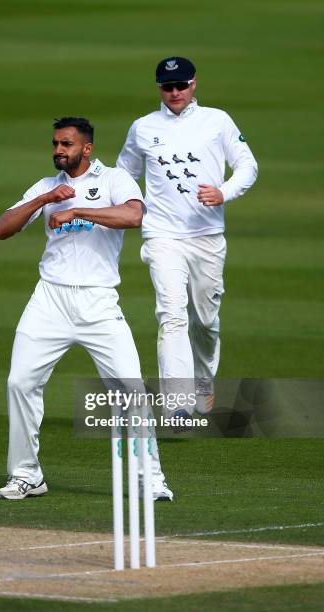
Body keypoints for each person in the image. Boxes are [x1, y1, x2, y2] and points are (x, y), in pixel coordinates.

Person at [0, 117, 172, 500]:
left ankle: (149, 478)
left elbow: (134, 216)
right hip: (49, 300)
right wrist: (43, 201)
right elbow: (2, 228)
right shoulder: (45, 186)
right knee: (20, 382)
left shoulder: (114, 180)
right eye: (56, 144)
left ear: (86, 149)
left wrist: (78, 212)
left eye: (67, 145)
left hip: (98, 301)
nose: (59, 150)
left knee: (129, 388)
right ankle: (27, 475)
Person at [117, 57, 258, 414]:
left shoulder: (217, 120)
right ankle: (177, 402)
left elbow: (248, 165)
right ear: (159, 88)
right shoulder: (143, 127)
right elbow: (124, 176)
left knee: (205, 321)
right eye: (167, 87)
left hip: (207, 236)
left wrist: (223, 193)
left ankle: (204, 383)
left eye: (181, 85)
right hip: (162, 236)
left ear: (194, 84)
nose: (175, 92)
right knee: (171, 313)